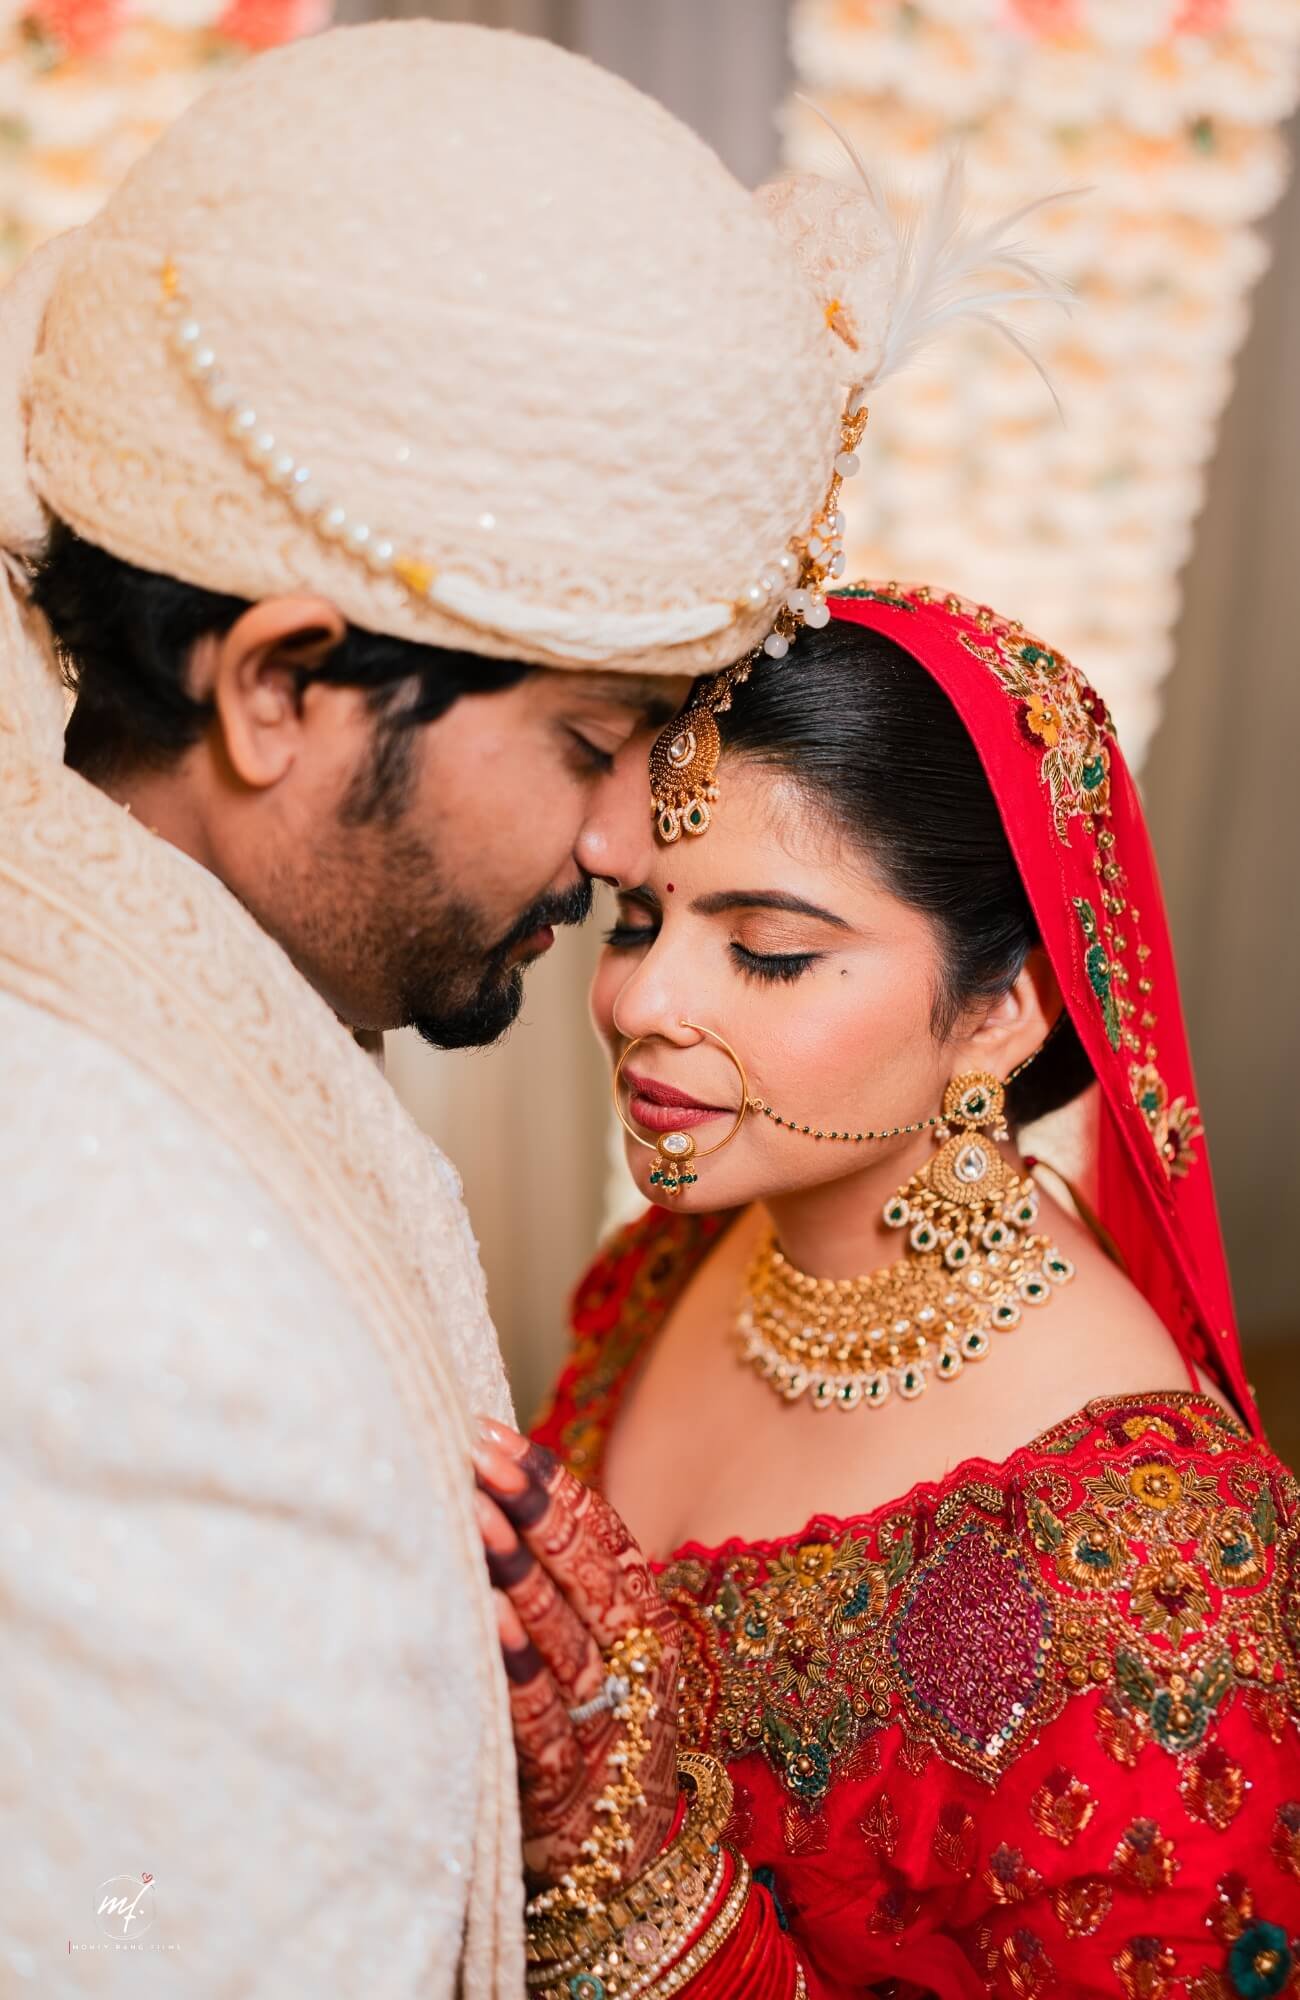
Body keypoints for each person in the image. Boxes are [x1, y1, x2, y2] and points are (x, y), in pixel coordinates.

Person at [0, 20, 1037, 1994]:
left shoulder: (190, 1065)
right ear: (279, 684)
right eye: (588, 736)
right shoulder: (164, 1320)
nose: (620, 848)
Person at [474, 585, 1300, 1997]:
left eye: (771, 950)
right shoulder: (686, 1257)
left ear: (1000, 1013)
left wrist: (650, 1900)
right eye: (636, 919)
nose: (640, 1000)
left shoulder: (1149, 1572)